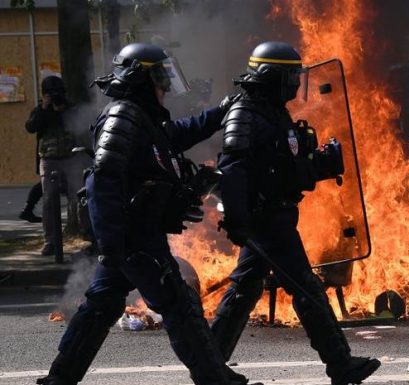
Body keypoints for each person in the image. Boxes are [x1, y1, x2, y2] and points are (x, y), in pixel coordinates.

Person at [36, 43, 252, 385]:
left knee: (100, 308)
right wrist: (111, 243)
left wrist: (223, 109)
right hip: (134, 237)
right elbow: (102, 181)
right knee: (179, 305)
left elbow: (179, 134)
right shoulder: (123, 117)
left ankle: (59, 379)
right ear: (140, 79)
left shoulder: (142, 118)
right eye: (160, 77)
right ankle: (216, 380)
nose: (165, 86)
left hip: (132, 236)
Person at [212, 41, 381, 385]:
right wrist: (238, 220)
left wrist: (317, 164)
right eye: (290, 76)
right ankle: (341, 364)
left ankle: (210, 365)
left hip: (277, 214)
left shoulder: (271, 111)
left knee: (245, 288)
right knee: (306, 289)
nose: (294, 83)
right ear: (271, 76)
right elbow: (232, 168)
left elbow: (281, 167)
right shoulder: (245, 113)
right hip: (266, 219)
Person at [25, 76, 84, 255]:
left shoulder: (70, 108)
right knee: (49, 201)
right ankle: (50, 241)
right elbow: (31, 127)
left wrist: (63, 110)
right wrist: (44, 108)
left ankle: (88, 235)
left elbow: (80, 126)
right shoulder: (40, 110)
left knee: (81, 198)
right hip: (49, 160)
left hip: (70, 159)